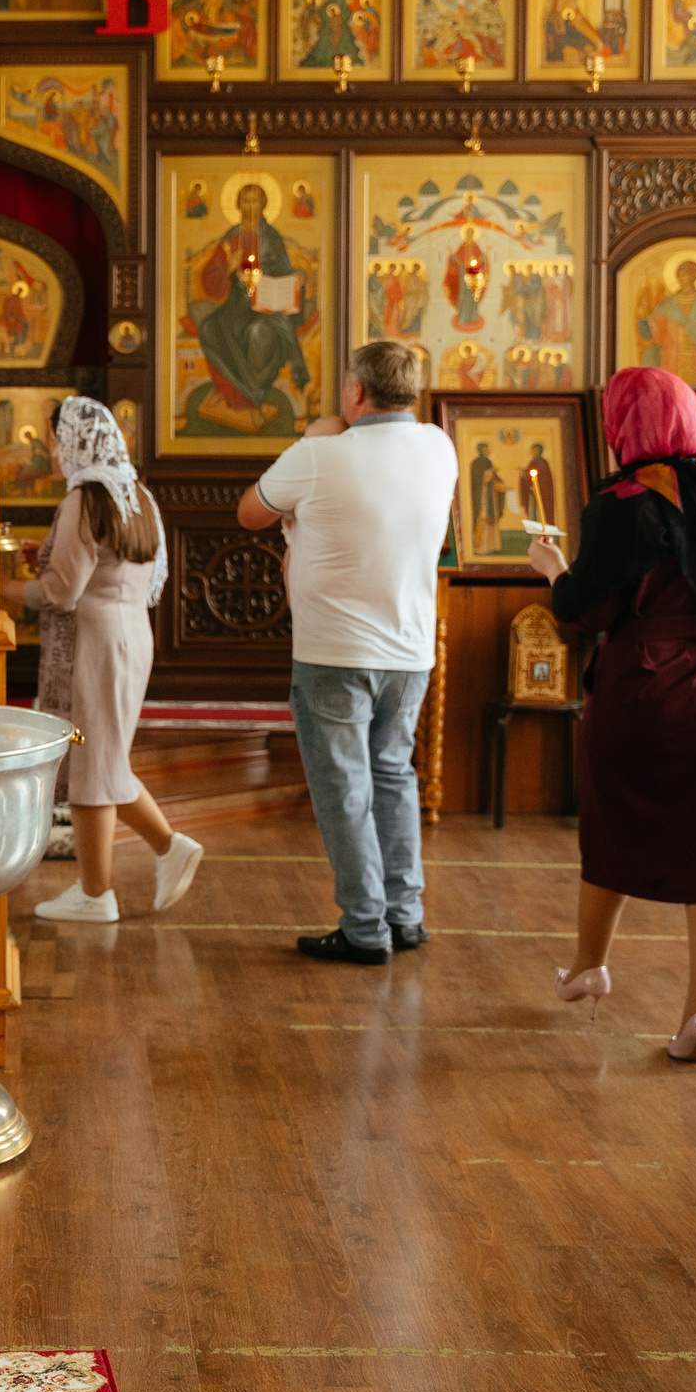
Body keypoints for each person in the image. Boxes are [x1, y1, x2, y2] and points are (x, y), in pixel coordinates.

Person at [532, 368, 696, 1065]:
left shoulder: (618, 502)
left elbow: (586, 608)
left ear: (622, 426)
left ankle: (589, 964)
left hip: (641, 688)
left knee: (613, 827)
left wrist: (552, 567)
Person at [237, 340, 458, 965]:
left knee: (345, 789)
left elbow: (250, 512)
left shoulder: (316, 456)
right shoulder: (440, 448)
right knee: (392, 775)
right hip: (410, 652)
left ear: (355, 391)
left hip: (335, 651)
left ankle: (365, 928)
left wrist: (320, 435)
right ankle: (403, 915)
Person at [1, 399, 200, 923]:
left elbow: (62, 592)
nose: (52, 449)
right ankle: (166, 847)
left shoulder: (84, 498)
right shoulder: (135, 493)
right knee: (107, 761)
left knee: (93, 766)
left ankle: (96, 894)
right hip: (131, 634)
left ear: (74, 442)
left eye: (55, 438)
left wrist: (0, 588)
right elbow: (109, 565)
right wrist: (42, 553)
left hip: (94, 643)